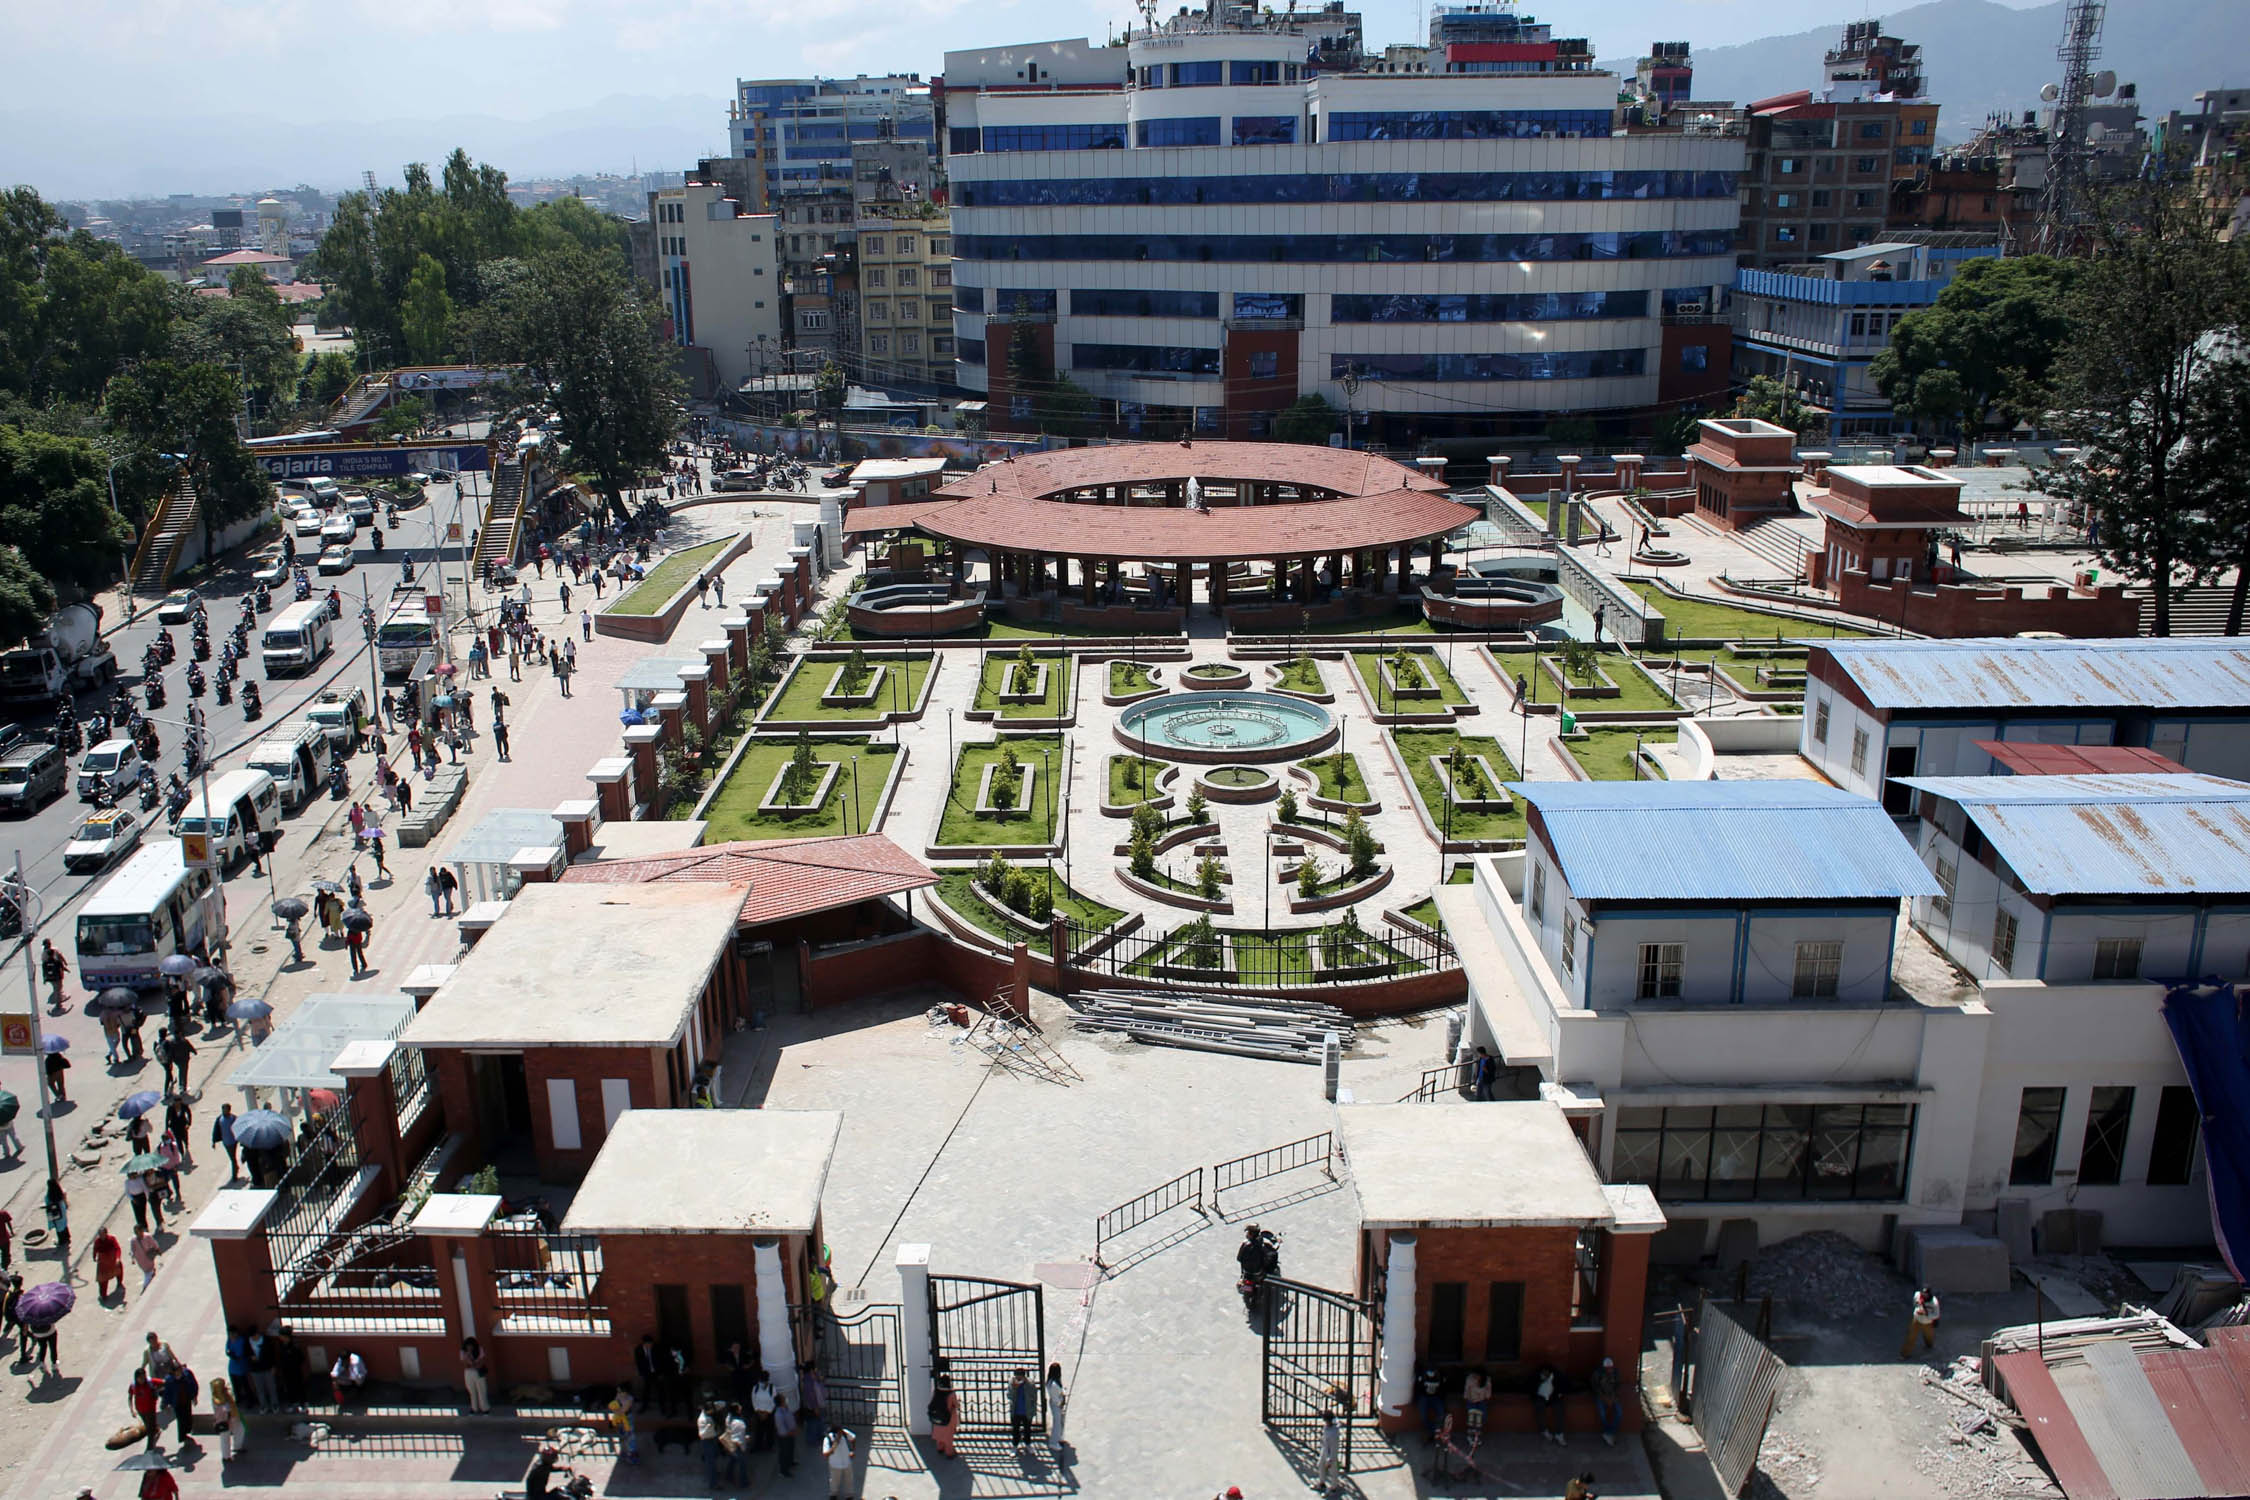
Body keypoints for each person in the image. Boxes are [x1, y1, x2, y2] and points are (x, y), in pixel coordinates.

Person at [211, 1376, 247, 1462]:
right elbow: (225, 1409)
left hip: (234, 1418)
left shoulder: (226, 1394)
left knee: (240, 1430)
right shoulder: (216, 1399)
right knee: (225, 1438)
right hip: (223, 1421)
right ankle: (226, 1456)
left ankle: (237, 1447)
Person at [1902, 1286, 1941, 1359]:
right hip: (1917, 1319)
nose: (1924, 1295)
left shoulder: (1934, 1302)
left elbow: (1936, 1314)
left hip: (1928, 1322)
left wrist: (1926, 1314)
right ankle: (1905, 1354)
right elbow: (1915, 1303)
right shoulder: (1917, 1295)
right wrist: (1917, 1309)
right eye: (1923, 1293)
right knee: (1911, 1336)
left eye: (1926, 1294)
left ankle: (1929, 1345)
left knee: (1929, 1336)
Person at [1592, 1355, 1623, 1445]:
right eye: (1608, 1368)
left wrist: (1612, 1398)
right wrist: (1604, 1398)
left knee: (1619, 1412)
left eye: (1611, 1368)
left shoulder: (1615, 1373)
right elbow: (1594, 1387)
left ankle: (1609, 1432)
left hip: (1612, 1396)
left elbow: (1617, 1386)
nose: (1610, 1370)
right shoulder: (1598, 1373)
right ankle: (1607, 1432)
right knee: (1602, 1413)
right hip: (1601, 1396)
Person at [167, 1361, 200, 1447]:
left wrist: (194, 1396)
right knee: (180, 1420)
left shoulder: (187, 1374)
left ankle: (188, 1430)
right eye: (176, 1372)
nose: (178, 1374)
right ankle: (182, 1436)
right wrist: (167, 1404)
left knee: (187, 1416)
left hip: (186, 1399)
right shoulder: (170, 1379)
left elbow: (194, 1385)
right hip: (177, 1402)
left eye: (179, 1371)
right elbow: (168, 1393)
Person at [129, 1367, 163, 1448]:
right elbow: (130, 1397)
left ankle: (150, 1446)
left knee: (149, 1428)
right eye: (140, 1378)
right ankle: (156, 1429)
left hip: (151, 1409)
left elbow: (163, 1383)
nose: (142, 1380)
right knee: (149, 1425)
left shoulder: (150, 1382)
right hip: (140, 1410)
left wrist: (158, 1390)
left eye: (143, 1377)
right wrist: (132, 1410)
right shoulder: (133, 1385)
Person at [1533, 1364, 1566, 1445]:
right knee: (1539, 1407)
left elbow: (1562, 1389)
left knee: (1559, 1409)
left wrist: (1556, 1396)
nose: (1543, 1376)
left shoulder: (1557, 1378)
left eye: (1545, 1375)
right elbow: (1532, 1390)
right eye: (1542, 1375)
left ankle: (1559, 1434)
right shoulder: (1535, 1378)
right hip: (1541, 1397)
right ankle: (1544, 1430)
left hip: (1553, 1397)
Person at [930, 1373, 960, 1457]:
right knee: (948, 1435)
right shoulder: (951, 1394)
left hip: (938, 1416)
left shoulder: (936, 1392)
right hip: (949, 1417)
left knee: (939, 1433)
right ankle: (949, 1452)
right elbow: (956, 1405)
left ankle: (940, 1447)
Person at [824, 1424, 857, 1499]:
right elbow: (825, 1454)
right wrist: (836, 1443)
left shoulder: (844, 1433)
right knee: (834, 1481)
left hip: (847, 1462)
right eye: (839, 1432)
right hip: (835, 1464)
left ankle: (849, 1495)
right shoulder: (828, 1439)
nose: (841, 1433)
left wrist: (852, 1450)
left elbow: (853, 1438)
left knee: (849, 1480)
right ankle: (833, 1494)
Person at [1009, 1368, 1036, 1455]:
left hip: (1026, 1410)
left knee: (1027, 1429)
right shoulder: (1012, 1382)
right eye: (1017, 1377)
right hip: (1016, 1411)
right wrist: (1014, 1388)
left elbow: (1034, 1397)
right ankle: (1014, 1445)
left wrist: (1033, 1410)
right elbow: (1009, 1395)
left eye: (1020, 1377)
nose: (1018, 1379)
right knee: (1015, 1429)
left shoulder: (1030, 1383)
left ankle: (1028, 1444)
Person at [93, 1226, 125, 1300]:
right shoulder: (97, 1242)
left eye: (103, 1234)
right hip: (103, 1262)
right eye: (100, 1234)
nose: (101, 1236)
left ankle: (119, 1283)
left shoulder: (112, 1239)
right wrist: (94, 1256)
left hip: (112, 1259)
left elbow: (117, 1248)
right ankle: (103, 1295)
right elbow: (95, 1249)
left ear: (106, 1233)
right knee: (102, 1280)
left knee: (118, 1270)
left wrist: (117, 1258)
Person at [460, 1335, 490, 1413]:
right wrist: (469, 1354)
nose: (469, 1347)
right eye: (468, 1346)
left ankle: (485, 1408)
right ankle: (474, 1408)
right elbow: (465, 1364)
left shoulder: (479, 1350)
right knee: (471, 1391)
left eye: (471, 1345)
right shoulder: (463, 1352)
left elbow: (481, 1361)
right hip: (469, 1373)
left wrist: (473, 1363)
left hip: (478, 1372)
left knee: (482, 1390)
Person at [1045, 1361, 1068, 1458]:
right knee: (1057, 1423)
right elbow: (1056, 1398)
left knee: (1060, 1421)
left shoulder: (1052, 1381)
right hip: (1056, 1405)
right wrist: (1061, 1402)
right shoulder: (1053, 1384)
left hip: (1056, 1403)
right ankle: (1053, 1442)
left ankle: (1059, 1436)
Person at [773, 1392, 798, 1476]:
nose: (786, 1400)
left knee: (790, 1449)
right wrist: (789, 1433)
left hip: (790, 1433)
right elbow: (781, 1427)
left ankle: (790, 1462)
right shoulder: (778, 1414)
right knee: (784, 1452)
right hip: (785, 1436)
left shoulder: (786, 1409)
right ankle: (784, 1471)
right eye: (784, 1399)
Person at [212, 1103, 239, 1181]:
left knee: (233, 1158)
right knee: (232, 1158)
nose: (224, 1111)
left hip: (234, 1141)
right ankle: (235, 1170)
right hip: (226, 1142)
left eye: (226, 1109)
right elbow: (215, 1130)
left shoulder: (233, 1118)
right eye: (223, 1109)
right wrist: (214, 1141)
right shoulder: (219, 1119)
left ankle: (235, 1174)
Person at [1318, 1408, 1343, 1492]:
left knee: (1332, 1470)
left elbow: (1333, 1448)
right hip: (1324, 1449)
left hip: (1330, 1454)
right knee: (1320, 1465)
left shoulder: (1333, 1433)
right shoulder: (1329, 1425)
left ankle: (1333, 1488)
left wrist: (1330, 1459)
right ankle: (1322, 1483)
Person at [44, 1177, 69, 1259]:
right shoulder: (59, 1191)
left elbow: (47, 1203)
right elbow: (64, 1196)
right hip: (62, 1209)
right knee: (64, 1224)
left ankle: (62, 1241)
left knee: (59, 1228)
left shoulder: (49, 1195)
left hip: (56, 1213)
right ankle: (67, 1237)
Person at [40, 940, 67, 1010]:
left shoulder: (43, 954)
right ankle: (59, 1002)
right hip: (57, 974)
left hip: (50, 976)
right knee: (58, 988)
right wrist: (65, 964)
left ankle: (59, 997)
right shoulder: (55, 951)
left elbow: (44, 968)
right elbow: (61, 958)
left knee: (55, 987)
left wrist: (44, 978)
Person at [131, 1225, 160, 1290]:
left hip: (149, 1256)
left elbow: (154, 1243)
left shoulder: (147, 1236)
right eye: (136, 1233)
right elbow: (132, 1250)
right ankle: (151, 1275)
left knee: (149, 1270)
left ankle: (146, 1284)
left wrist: (158, 1249)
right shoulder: (133, 1240)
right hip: (140, 1259)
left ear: (142, 1231)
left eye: (139, 1232)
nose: (138, 1234)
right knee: (146, 1270)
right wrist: (133, 1258)